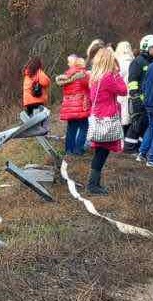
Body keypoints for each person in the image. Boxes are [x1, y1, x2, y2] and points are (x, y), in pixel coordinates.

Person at [84, 47, 128, 194]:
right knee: (102, 152)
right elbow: (123, 90)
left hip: (98, 116)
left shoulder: (95, 77)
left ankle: (95, 183)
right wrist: (117, 75)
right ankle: (92, 185)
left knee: (100, 151)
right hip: (107, 118)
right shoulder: (108, 77)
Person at [124, 35, 153, 151]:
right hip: (139, 99)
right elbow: (133, 80)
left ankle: (139, 148)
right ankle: (129, 148)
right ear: (148, 47)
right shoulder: (138, 62)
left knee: (145, 125)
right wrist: (135, 95)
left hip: (150, 100)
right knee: (136, 125)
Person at [56, 54, 90, 155]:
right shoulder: (83, 74)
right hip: (80, 105)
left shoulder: (66, 76)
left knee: (71, 128)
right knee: (84, 126)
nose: (68, 64)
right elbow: (89, 86)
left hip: (69, 106)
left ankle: (68, 150)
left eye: (69, 62)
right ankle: (78, 149)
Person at [113, 41, 134, 132]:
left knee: (121, 113)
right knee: (128, 113)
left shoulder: (119, 62)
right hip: (131, 90)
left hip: (120, 90)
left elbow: (116, 76)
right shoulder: (133, 61)